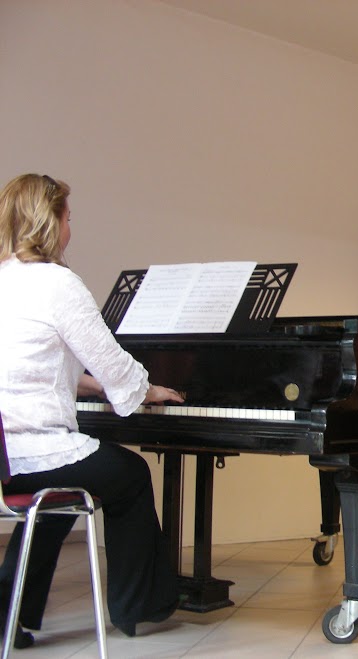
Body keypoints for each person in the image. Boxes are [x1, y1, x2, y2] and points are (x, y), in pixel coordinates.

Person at [0, 173, 185, 647]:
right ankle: (139, 606)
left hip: (6, 460)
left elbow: (31, 364)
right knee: (130, 474)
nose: (70, 227)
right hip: (37, 451)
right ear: (49, 222)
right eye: (68, 217)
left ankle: (11, 615)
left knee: (58, 497)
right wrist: (145, 389)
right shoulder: (58, 284)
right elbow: (112, 361)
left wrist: (92, 386)